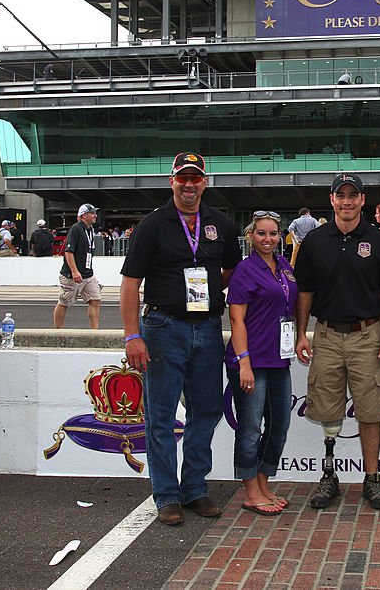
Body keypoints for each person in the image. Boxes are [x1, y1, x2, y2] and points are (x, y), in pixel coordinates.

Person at [121, 152, 241, 526]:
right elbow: (129, 284)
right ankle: (166, 494)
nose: (189, 185)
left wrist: (205, 293)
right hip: (162, 328)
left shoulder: (220, 223)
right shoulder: (153, 225)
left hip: (206, 327)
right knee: (160, 414)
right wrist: (131, 336)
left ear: (205, 182)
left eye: (196, 178)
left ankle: (194, 487)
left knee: (206, 410)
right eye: (182, 178)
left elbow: (232, 268)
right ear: (172, 181)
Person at [294, 173, 380, 511]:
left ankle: (372, 478)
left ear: (362, 200)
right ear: (331, 200)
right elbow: (305, 292)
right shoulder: (314, 241)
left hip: (369, 334)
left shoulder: (379, 240)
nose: (346, 201)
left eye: (352, 195)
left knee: (370, 410)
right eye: (340, 195)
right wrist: (301, 333)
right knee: (327, 408)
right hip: (326, 334)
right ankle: (329, 474)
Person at [226, 211, 296, 516]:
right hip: (251, 359)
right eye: (261, 233)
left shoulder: (284, 267)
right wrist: (244, 363)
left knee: (279, 423)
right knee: (251, 426)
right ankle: (250, 490)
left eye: (273, 233)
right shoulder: (244, 270)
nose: (267, 239)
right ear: (251, 237)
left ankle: (264, 482)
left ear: (280, 236)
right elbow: (236, 318)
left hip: (278, 358)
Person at [54, 204, 102, 329]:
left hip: (88, 274)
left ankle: (94, 332)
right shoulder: (76, 229)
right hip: (72, 275)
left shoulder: (90, 229)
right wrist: (75, 271)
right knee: (64, 302)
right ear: (84, 215)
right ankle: (57, 331)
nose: (95, 215)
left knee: (95, 299)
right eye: (92, 213)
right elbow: (68, 252)